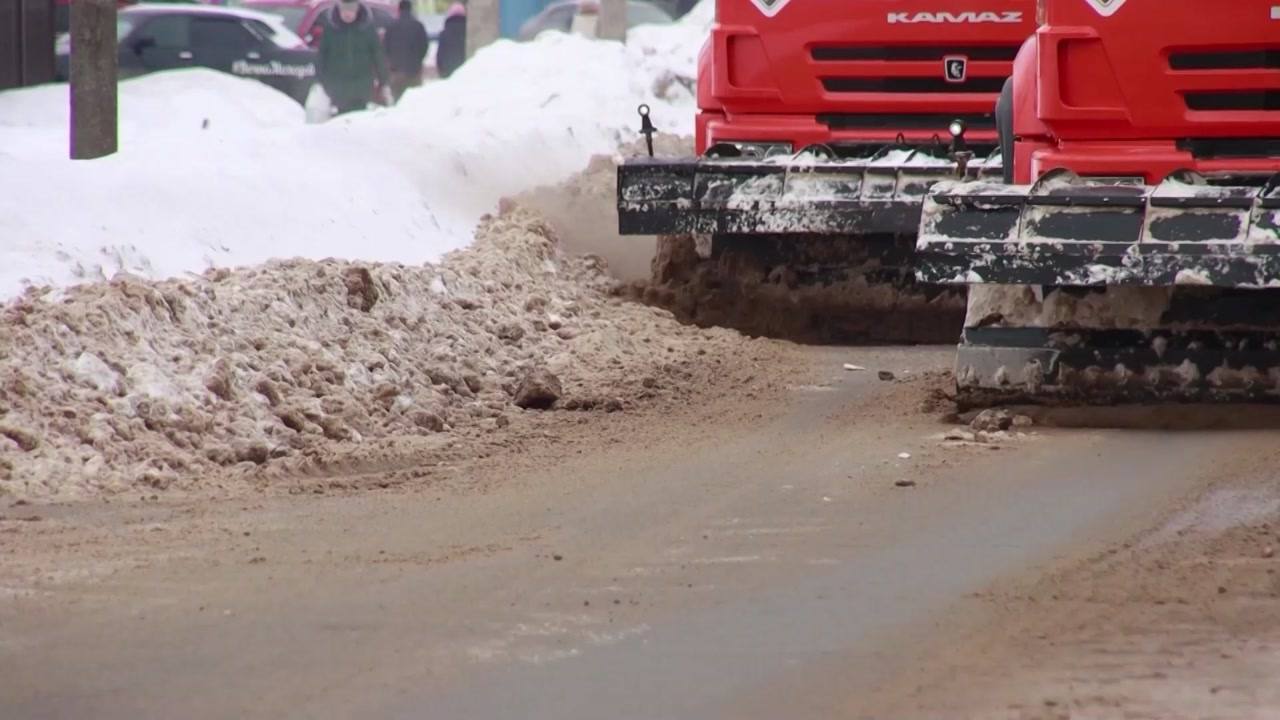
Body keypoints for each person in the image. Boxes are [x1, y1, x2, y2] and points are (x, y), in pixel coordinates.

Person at [317, 0, 391, 115]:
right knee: (340, 123)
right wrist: (322, 81)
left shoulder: (367, 28)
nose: (347, 14)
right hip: (337, 88)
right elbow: (321, 56)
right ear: (339, 10)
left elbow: (378, 55)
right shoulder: (331, 29)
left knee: (359, 121)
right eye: (344, 11)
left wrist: (383, 80)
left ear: (357, 11)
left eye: (351, 11)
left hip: (362, 88)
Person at [383, 0, 430, 102]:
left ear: (399, 10)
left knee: (398, 102)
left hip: (396, 72)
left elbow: (385, 48)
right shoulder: (418, 26)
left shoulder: (391, 27)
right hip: (414, 71)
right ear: (411, 9)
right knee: (414, 104)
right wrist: (418, 61)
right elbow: (424, 46)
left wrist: (391, 63)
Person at [435, 2, 466, 80]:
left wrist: (441, 71)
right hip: (465, 72)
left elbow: (440, 54)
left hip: (448, 73)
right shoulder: (469, 32)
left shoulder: (444, 33)